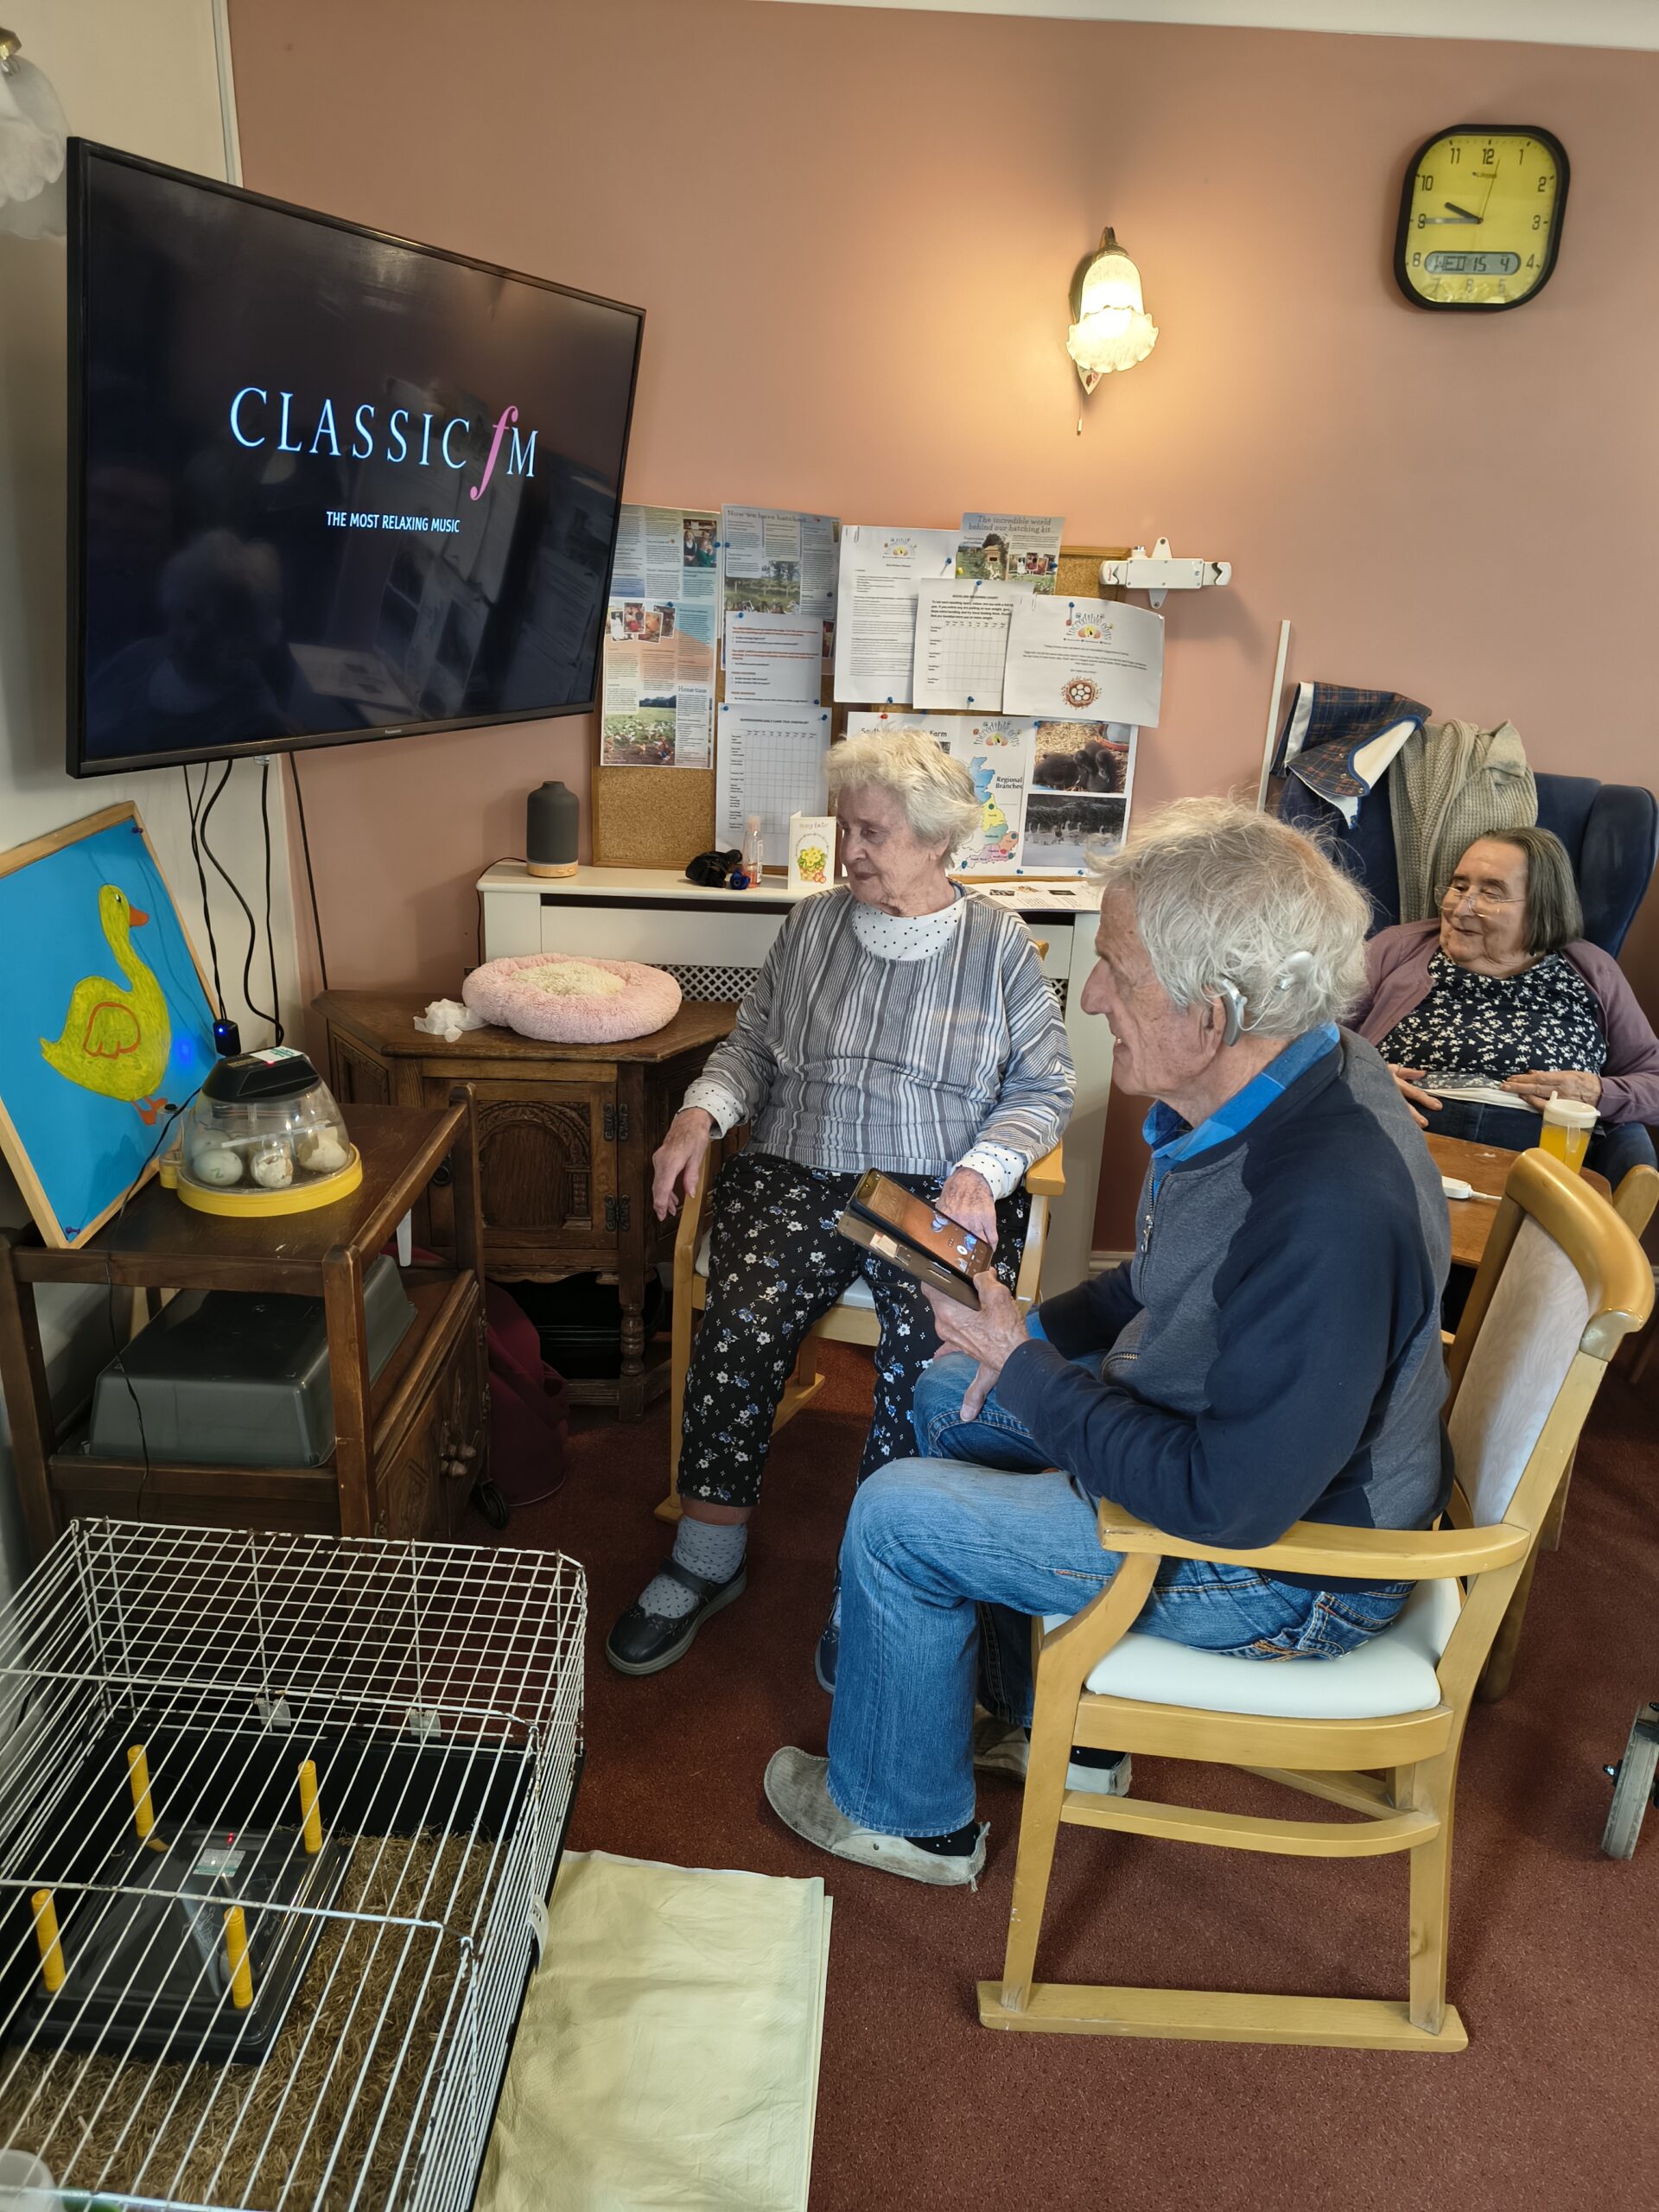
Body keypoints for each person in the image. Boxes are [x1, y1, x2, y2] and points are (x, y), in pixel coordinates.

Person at [761, 798, 1452, 1886]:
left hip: (1291, 1572)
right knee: (951, 1390)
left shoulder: (1324, 1207)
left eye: (1118, 971)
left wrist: (1034, 1376)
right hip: (1231, 1464)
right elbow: (1165, 1281)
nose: (1091, 996)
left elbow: (1230, 1504)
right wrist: (1022, 1336)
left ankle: (903, 1817)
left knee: (896, 1513)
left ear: (1213, 1013)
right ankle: (1058, 1733)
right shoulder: (1286, 1083)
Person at [605, 727, 1075, 1683]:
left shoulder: (999, 947)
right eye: (846, 828)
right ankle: (707, 1555)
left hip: (932, 1182)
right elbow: (751, 1047)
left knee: (926, 1342)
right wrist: (699, 1114)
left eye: (873, 833)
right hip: (798, 1163)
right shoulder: (813, 922)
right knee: (741, 1312)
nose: (850, 850)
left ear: (939, 841)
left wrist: (985, 1167)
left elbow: (1044, 1086)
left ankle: (872, 1578)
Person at [1354, 828, 1659, 1185]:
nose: (1459, 907)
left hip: (1540, 1157)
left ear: (1542, 906)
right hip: (1401, 1132)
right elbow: (1308, 1037)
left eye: (1490, 893)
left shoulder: (1593, 970)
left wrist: (1597, 1092)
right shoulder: (1397, 949)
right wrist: (1364, 1076)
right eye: (1459, 886)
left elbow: (1652, 1079)